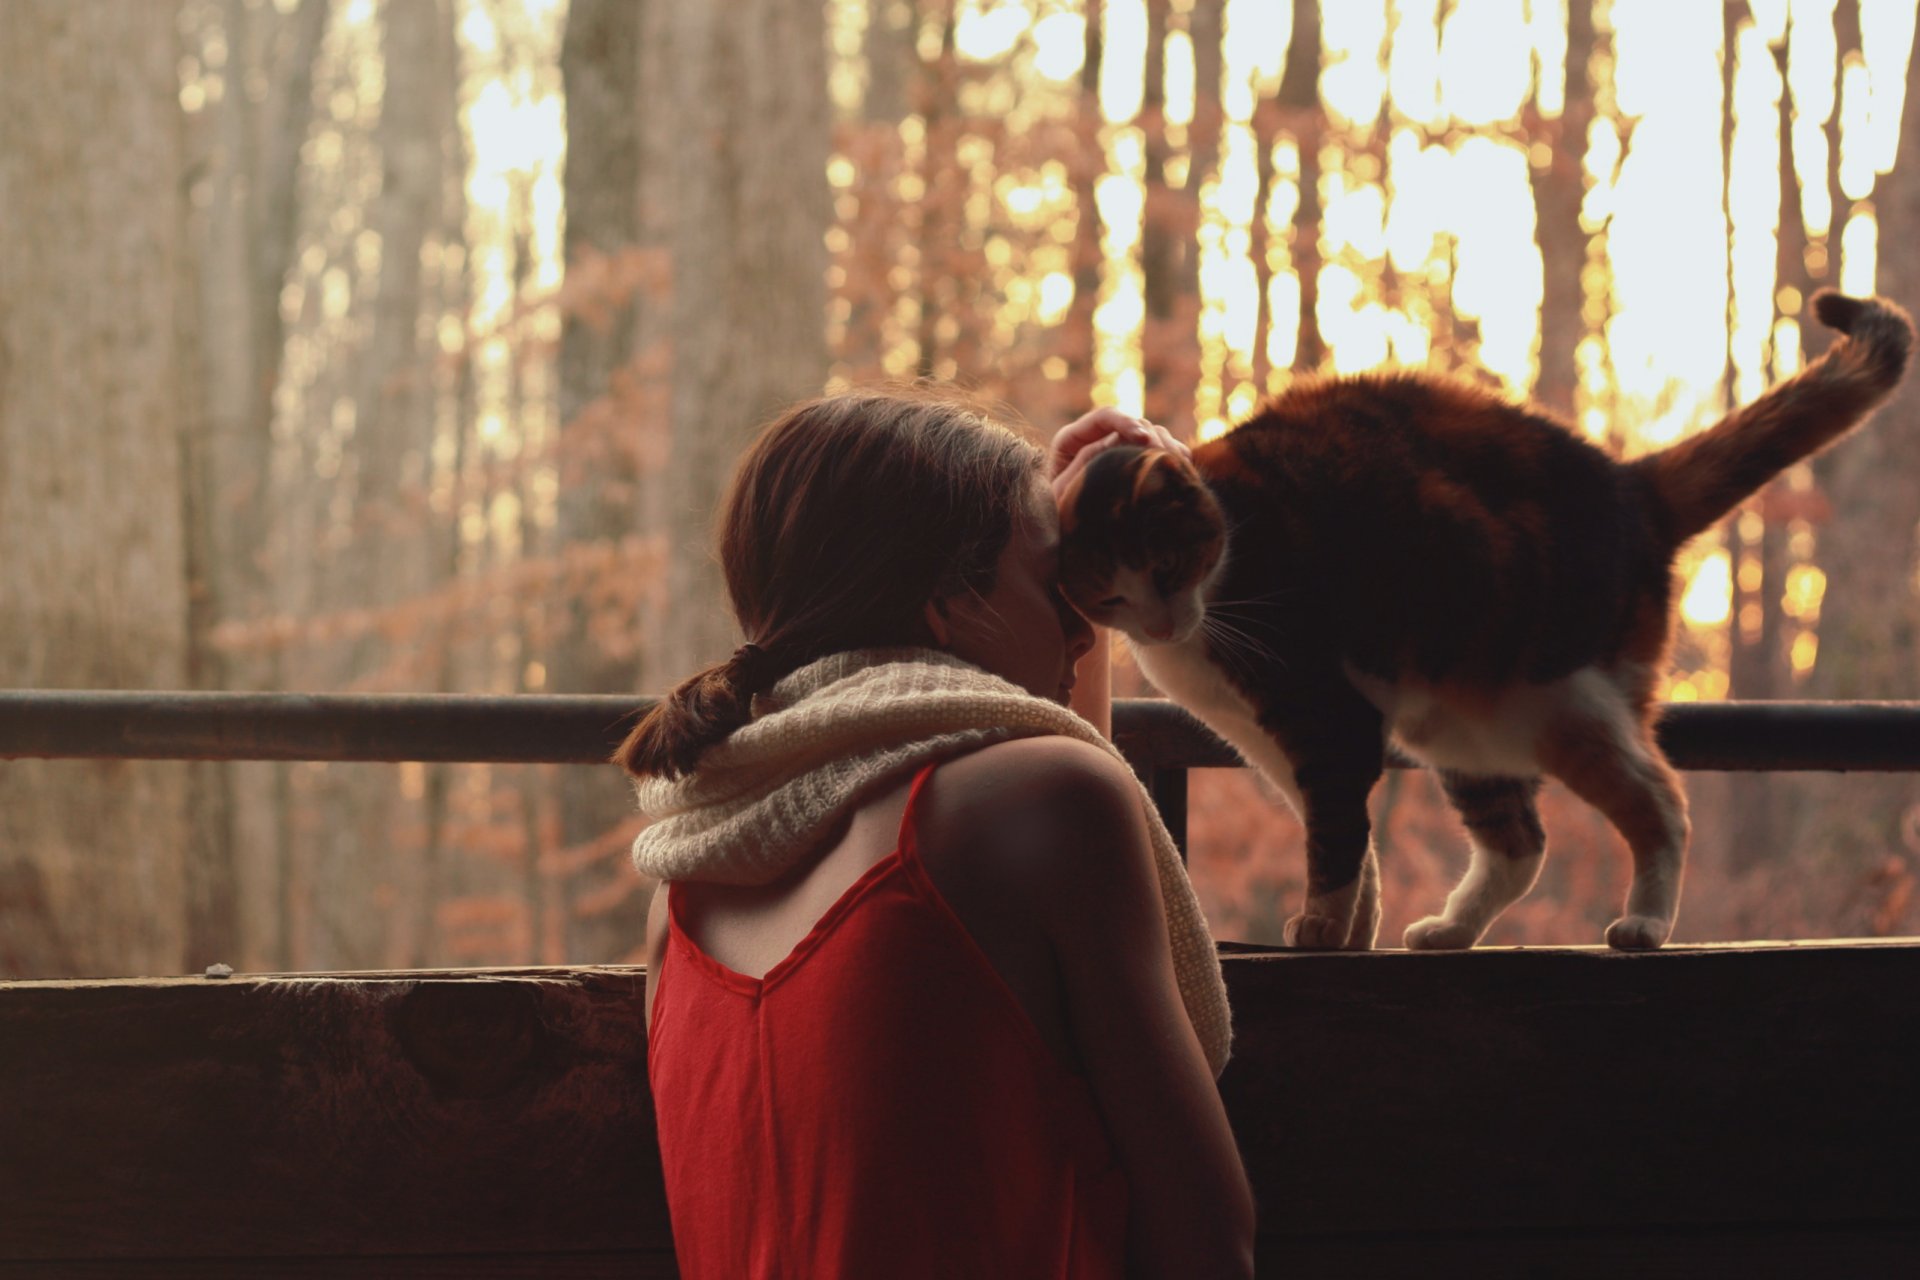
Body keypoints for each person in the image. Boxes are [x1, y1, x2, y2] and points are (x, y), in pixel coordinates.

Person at [617, 387, 1255, 1278]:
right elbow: (1210, 1240)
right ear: (951, 603)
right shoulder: (1042, 805)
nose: (1084, 623)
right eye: (1056, 581)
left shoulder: (684, 891)